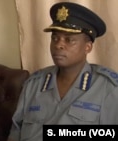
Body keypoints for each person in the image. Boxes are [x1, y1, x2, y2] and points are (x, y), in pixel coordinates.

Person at [7, 2, 118, 141]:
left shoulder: (108, 87)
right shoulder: (33, 84)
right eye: (55, 38)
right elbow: (16, 132)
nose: (59, 45)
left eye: (69, 40)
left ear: (87, 47)